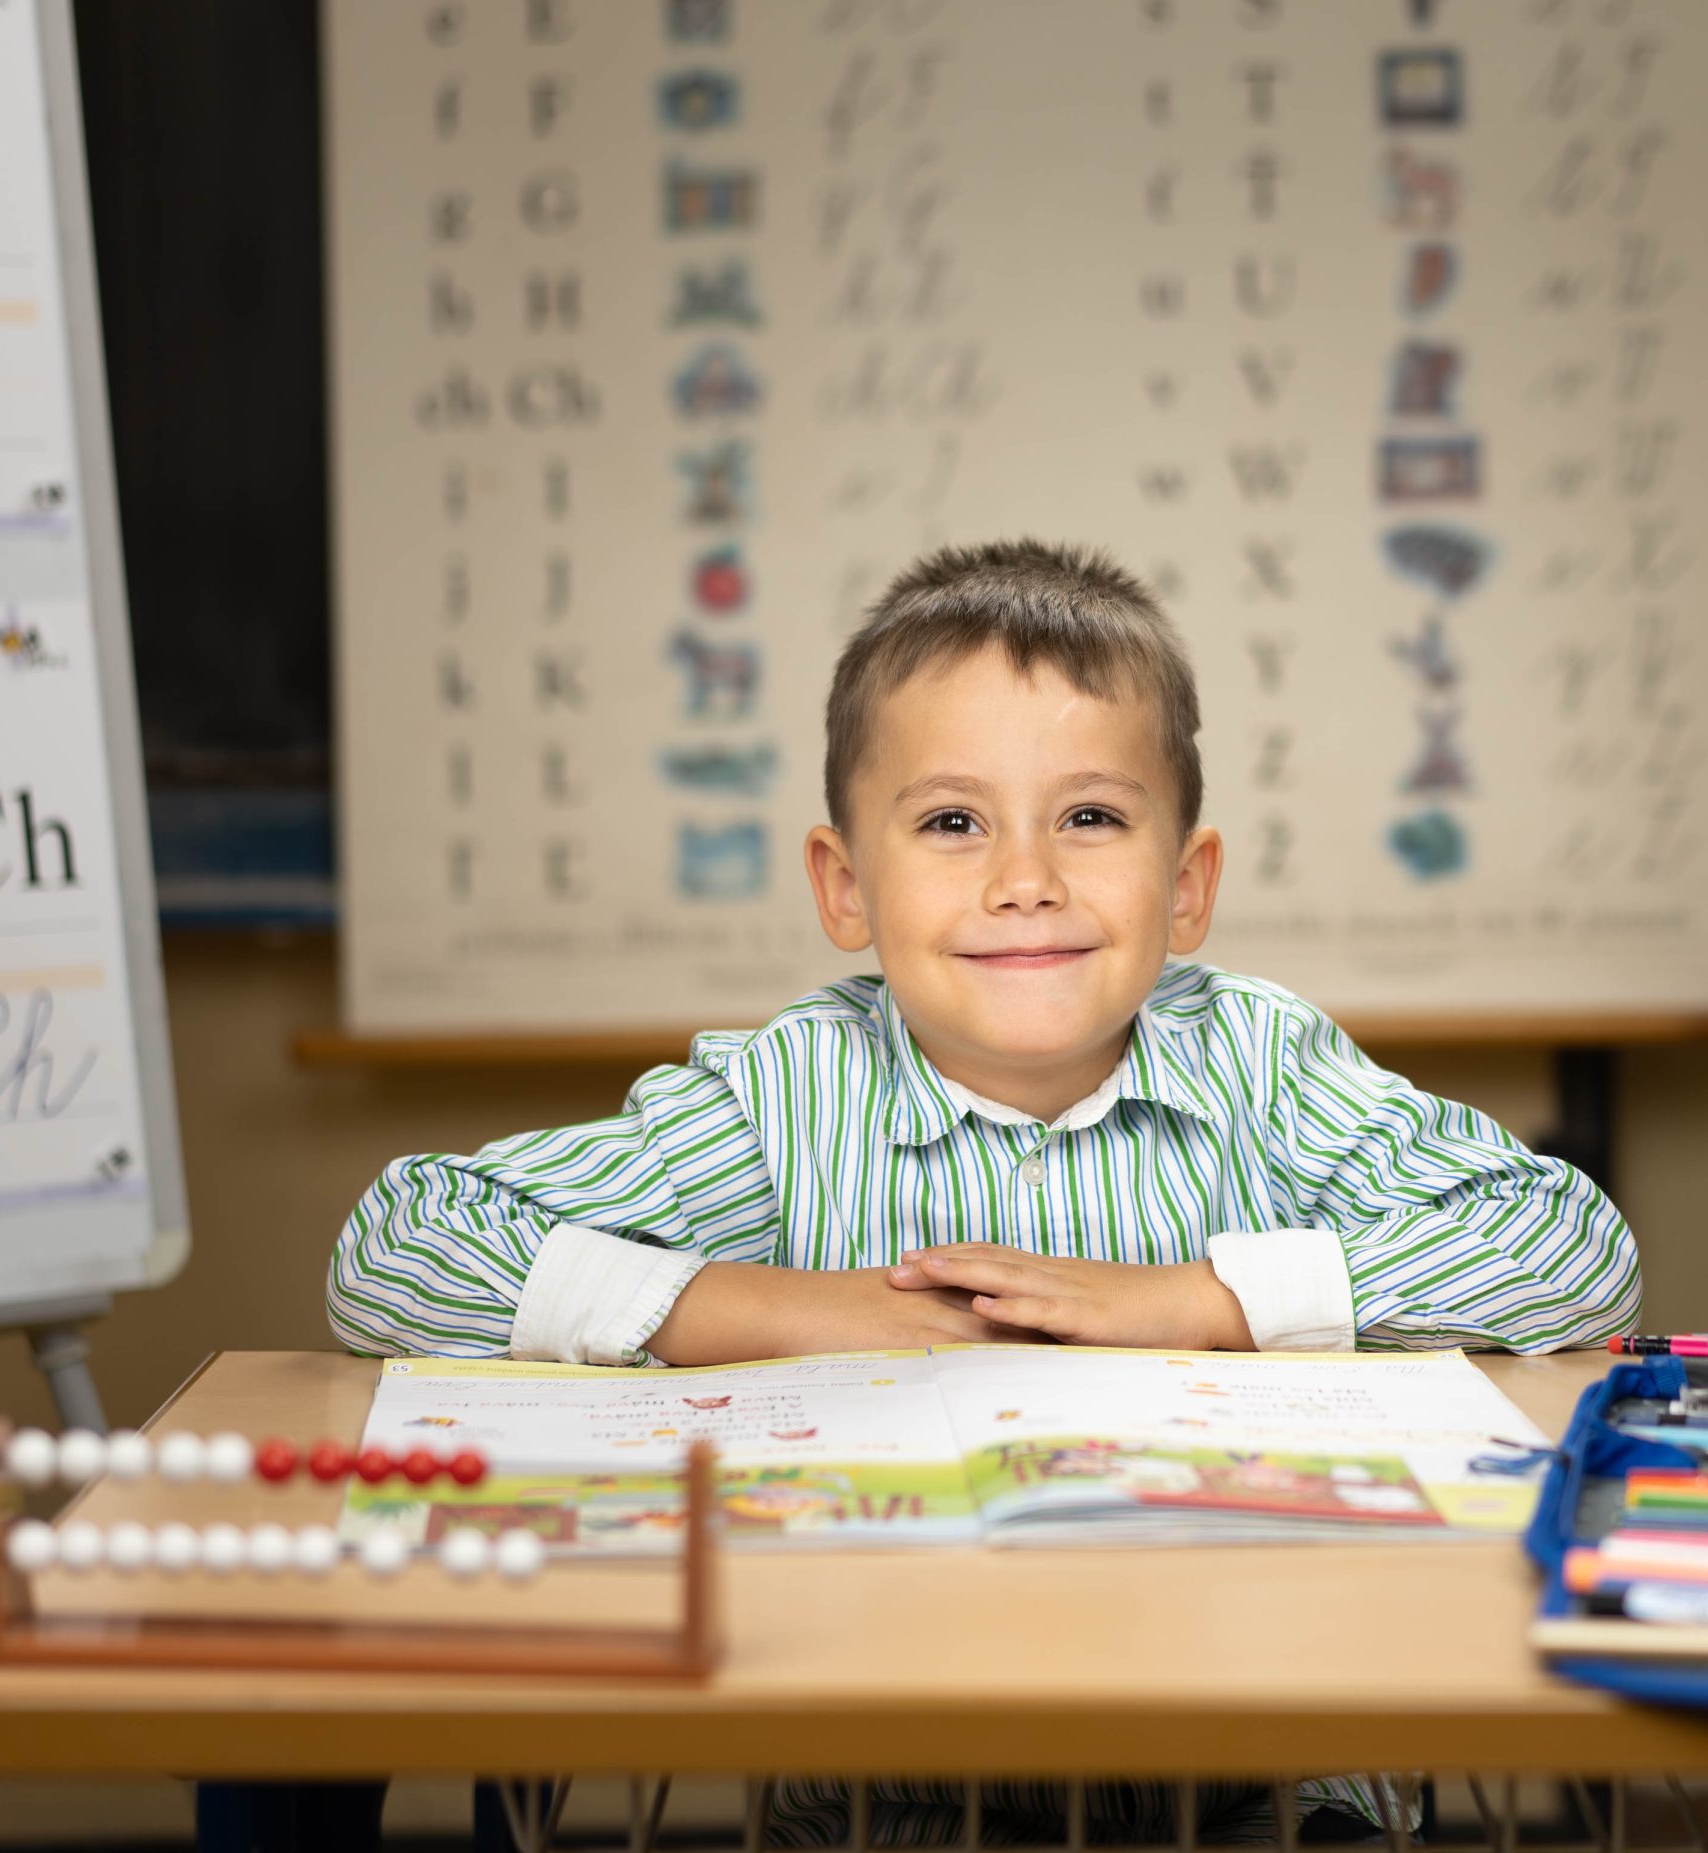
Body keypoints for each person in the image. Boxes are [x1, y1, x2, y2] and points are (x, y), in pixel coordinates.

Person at [326, 538, 1639, 1843]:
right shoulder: (787, 1098)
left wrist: (1201, 1301)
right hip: (887, 1794)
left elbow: (1572, 1245)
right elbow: (397, 1247)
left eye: (1091, 818)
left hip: (1272, 1775)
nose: (1026, 883)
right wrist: (784, 1311)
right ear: (847, 886)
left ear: (1187, 888)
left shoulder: (1264, 1065)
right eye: (953, 823)